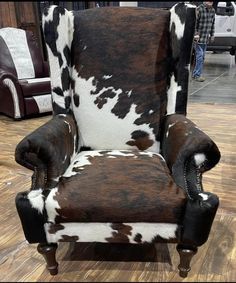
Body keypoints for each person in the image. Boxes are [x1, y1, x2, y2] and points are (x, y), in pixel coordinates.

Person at [192, 2, 215, 82]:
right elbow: (194, 23)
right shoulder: (199, 9)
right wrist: (196, 34)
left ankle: (195, 74)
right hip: (198, 38)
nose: (210, 2)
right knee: (200, 56)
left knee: (202, 57)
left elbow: (212, 24)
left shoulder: (212, 10)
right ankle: (197, 75)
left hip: (205, 39)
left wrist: (212, 34)